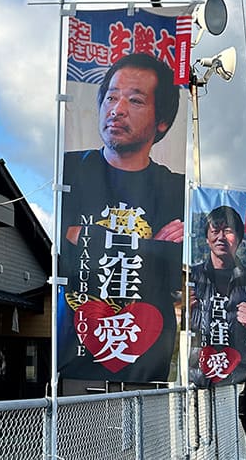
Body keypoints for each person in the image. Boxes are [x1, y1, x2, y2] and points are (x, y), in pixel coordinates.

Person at [58, 52, 185, 383]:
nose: (117, 109)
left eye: (135, 100)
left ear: (162, 121)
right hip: (75, 357)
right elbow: (62, 240)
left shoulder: (177, 190)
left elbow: (178, 270)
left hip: (147, 361)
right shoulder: (68, 169)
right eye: (111, 97)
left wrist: (87, 237)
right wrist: (153, 247)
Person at [189, 205, 246, 385]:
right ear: (207, 238)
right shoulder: (190, 277)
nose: (221, 237)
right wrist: (183, 312)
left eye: (228, 231)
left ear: (239, 238)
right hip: (198, 373)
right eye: (215, 231)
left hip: (237, 376)